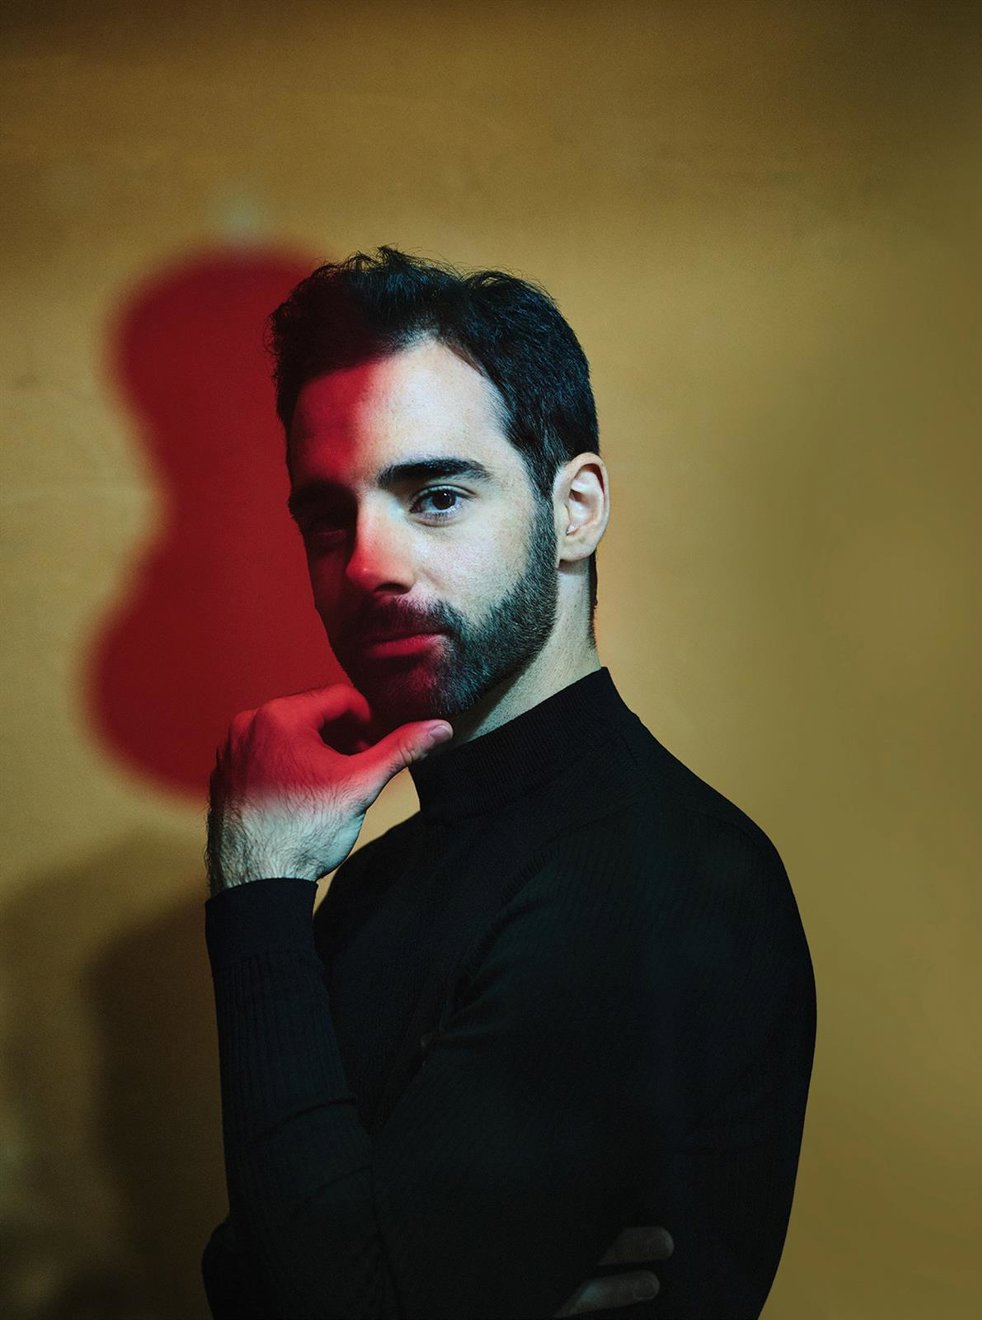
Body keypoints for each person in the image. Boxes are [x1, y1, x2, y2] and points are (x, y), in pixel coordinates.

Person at [201, 249, 817, 1319]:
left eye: (436, 495)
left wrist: (255, 892)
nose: (368, 565)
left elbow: (332, 1300)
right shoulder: (381, 875)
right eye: (329, 519)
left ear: (574, 509)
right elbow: (262, 1266)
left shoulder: (662, 878)